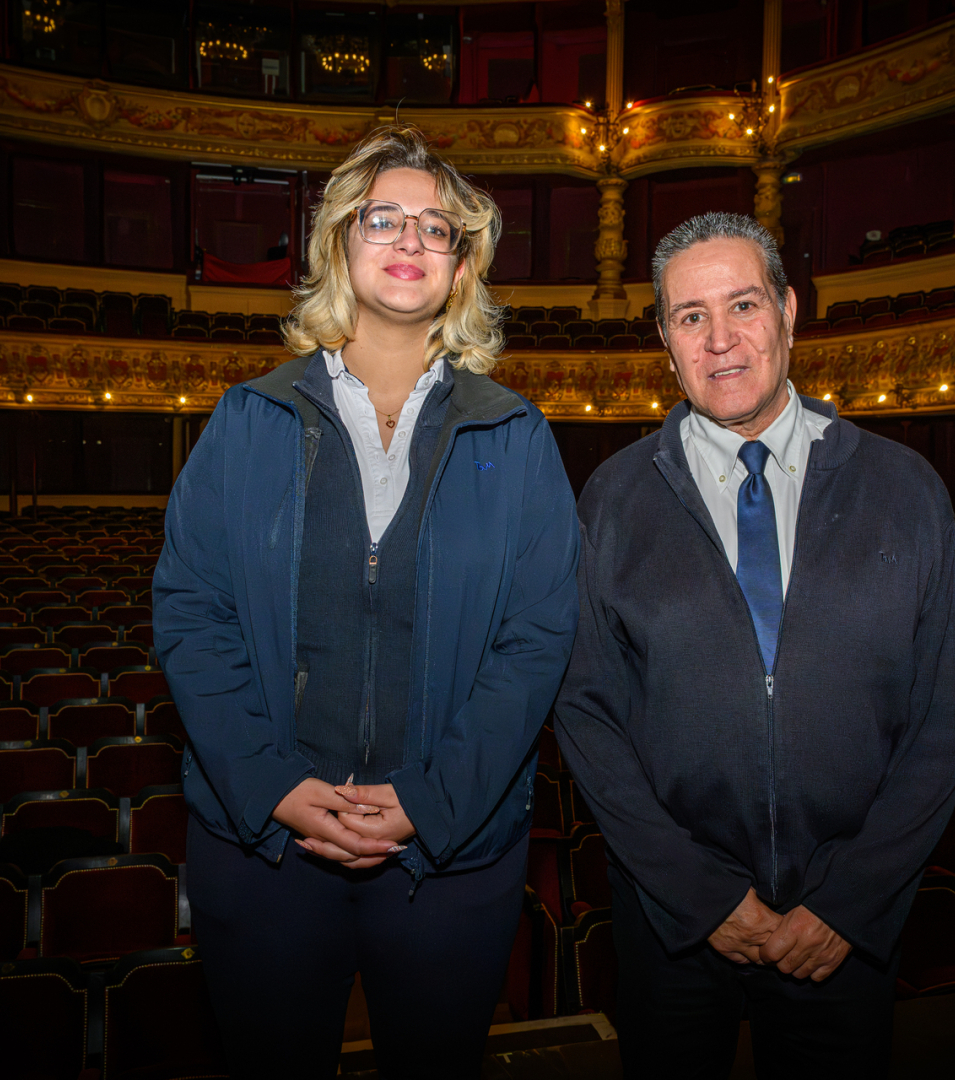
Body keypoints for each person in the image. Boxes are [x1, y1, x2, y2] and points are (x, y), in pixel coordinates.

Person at [154, 125, 579, 1078]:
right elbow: (191, 614)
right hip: (264, 849)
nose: (409, 239)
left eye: (438, 228)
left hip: (450, 855)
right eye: (382, 217)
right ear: (340, 244)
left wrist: (428, 802)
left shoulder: (517, 435)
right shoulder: (246, 417)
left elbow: (539, 637)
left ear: (462, 267)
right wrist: (273, 790)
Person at [554, 212, 955, 1079]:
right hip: (674, 922)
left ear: (787, 311)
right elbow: (587, 712)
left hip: (845, 927)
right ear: (666, 342)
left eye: (742, 305)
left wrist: (851, 903)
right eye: (690, 316)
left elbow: (942, 722)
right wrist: (700, 897)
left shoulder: (905, 488)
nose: (720, 340)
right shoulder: (613, 496)